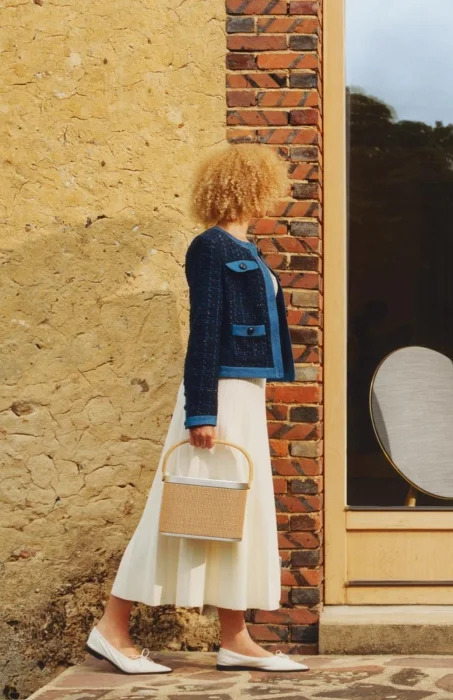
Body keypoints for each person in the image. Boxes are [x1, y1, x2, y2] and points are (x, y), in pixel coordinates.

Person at [84, 144, 309, 675]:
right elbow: (205, 330)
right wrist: (202, 411)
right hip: (220, 393)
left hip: (244, 392)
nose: (276, 194)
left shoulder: (247, 248)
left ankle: (235, 639)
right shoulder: (210, 247)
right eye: (270, 185)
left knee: (233, 513)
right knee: (177, 511)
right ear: (250, 185)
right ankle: (112, 628)